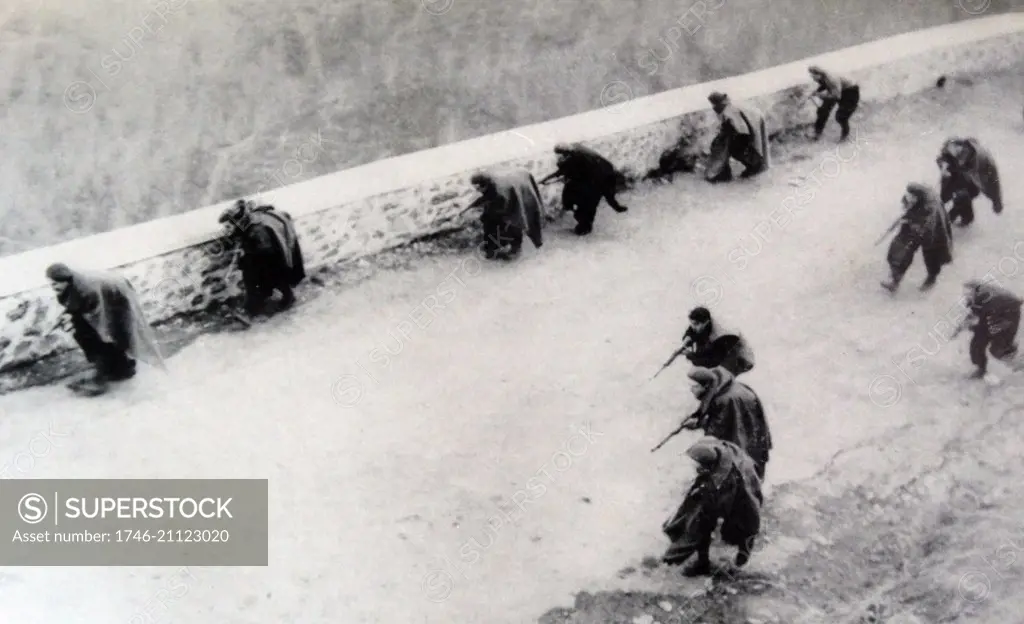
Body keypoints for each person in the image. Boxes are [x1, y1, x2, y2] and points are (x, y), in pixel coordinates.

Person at [46, 263, 165, 397]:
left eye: (56, 283)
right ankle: (122, 368)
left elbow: (99, 322)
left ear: (66, 281)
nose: (53, 287)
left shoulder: (87, 290)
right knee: (88, 333)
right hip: (105, 291)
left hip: (116, 295)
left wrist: (100, 334)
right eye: (51, 283)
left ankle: (101, 379)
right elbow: (76, 305)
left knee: (101, 337)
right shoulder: (73, 283)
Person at [661, 436, 764, 576]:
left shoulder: (731, 477)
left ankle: (739, 563)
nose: (698, 468)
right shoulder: (719, 452)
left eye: (701, 466)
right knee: (700, 517)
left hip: (741, 495)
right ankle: (702, 562)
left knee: (740, 526)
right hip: (730, 482)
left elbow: (711, 510)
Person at [682, 366, 772, 480]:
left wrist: (698, 424)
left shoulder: (723, 400)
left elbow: (716, 434)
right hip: (755, 441)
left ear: (706, 386)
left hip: (745, 445)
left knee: (742, 477)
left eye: (694, 386)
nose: (691, 390)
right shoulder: (726, 387)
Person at [219, 199, 305, 315]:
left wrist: (246, 259)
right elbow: (237, 236)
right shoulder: (244, 225)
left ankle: (287, 299)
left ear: (237, 222)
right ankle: (256, 302)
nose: (227, 228)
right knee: (253, 277)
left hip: (272, 256)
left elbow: (266, 251)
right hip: (262, 255)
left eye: (229, 225)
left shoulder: (257, 230)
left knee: (276, 277)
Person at [539, 143, 628, 236]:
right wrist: (546, 179)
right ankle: (583, 222)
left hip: (596, 184)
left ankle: (584, 227)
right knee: (582, 206)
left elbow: (607, 192)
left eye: (560, 156)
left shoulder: (581, 162)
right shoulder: (574, 158)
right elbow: (561, 172)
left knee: (587, 208)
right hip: (590, 182)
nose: (558, 158)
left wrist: (615, 206)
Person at [881, 183, 953, 293]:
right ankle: (895, 280)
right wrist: (907, 212)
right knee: (901, 250)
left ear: (918, 197)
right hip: (912, 228)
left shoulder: (930, 207)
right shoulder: (911, 197)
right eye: (908, 196)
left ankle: (931, 278)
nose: (909, 198)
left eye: (912, 197)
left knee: (931, 256)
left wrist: (910, 221)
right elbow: (905, 203)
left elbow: (927, 225)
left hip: (931, 232)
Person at [955, 279, 1023, 382]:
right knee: (977, 343)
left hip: (1007, 315)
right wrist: (961, 327)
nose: (966, 296)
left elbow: (990, 325)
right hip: (998, 313)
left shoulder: (992, 300)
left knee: (997, 348)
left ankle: (1017, 361)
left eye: (969, 293)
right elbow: (975, 312)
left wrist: (972, 327)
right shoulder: (980, 297)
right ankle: (981, 369)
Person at [658, 306, 754, 377]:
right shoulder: (703, 321)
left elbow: (712, 360)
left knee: (716, 376)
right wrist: (687, 337)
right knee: (700, 358)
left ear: (706, 321)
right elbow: (692, 329)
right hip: (719, 347)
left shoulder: (721, 336)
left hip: (740, 358)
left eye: (696, 324)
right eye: (691, 324)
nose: (693, 327)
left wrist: (690, 354)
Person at [468, 170, 544, 259]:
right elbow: (486, 197)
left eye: (478, 188)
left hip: (522, 197)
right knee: (504, 223)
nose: (477, 191)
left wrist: (495, 214)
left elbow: (511, 211)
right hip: (514, 192)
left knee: (520, 222)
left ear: (484, 184)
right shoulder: (490, 185)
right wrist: (471, 206)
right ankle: (511, 246)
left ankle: (529, 248)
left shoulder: (502, 191)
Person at [937, 137, 1003, 227]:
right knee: (945, 196)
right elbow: (944, 155)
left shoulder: (986, 166)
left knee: (964, 195)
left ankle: (961, 218)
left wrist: (996, 201)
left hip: (971, 179)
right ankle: (946, 216)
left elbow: (994, 184)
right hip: (958, 172)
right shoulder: (955, 146)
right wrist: (944, 165)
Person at [704, 92, 769, 183]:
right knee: (730, 147)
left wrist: (738, 139)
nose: (713, 108)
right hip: (745, 128)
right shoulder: (727, 109)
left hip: (745, 129)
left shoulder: (729, 111)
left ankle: (757, 165)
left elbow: (742, 129)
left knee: (738, 149)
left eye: (714, 105)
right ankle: (756, 165)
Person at [807, 66, 860, 141]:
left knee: (841, 117)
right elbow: (824, 85)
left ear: (819, 75)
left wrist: (820, 95)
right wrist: (816, 91)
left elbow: (836, 96)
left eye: (813, 77)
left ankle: (845, 136)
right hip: (837, 90)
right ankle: (817, 134)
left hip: (850, 91)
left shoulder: (831, 79)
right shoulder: (822, 77)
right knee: (822, 111)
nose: (812, 79)